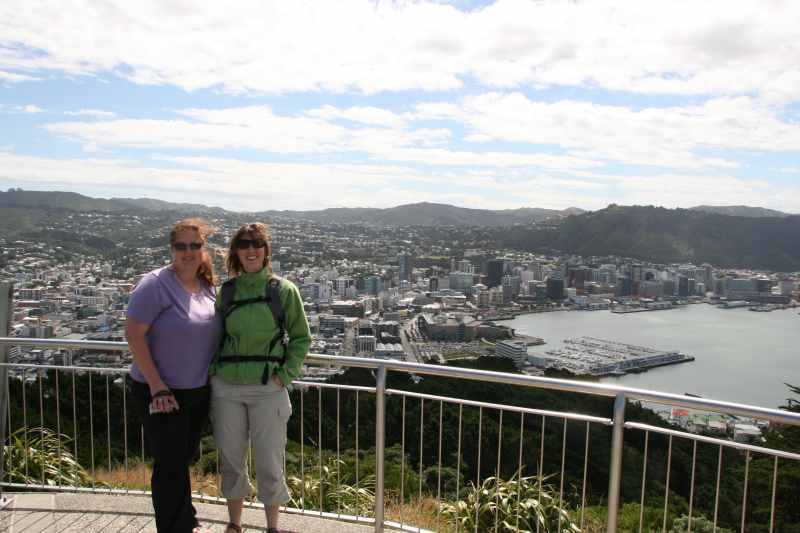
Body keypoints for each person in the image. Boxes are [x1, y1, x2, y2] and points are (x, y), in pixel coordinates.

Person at [211, 222, 310, 533]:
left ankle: (272, 527)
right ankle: (235, 524)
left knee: (269, 461)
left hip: (268, 387)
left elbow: (301, 338)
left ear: (266, 251)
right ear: (236, 252)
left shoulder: (282, 291)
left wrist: (284, 376)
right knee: (231, 459)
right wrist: (213, 373)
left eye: (256, 244)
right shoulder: (226, 292)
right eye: (244, 244)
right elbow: (213, 338)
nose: (251, 249)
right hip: (227, 387)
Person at [126, 218, 220, 533]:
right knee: (169, 464)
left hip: (196, 389)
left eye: (195, 245)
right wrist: (157, 386)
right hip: (161, 390)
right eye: (181, 245)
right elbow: (134, 335)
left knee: (182, 460)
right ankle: (174, 527)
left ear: (203, 248)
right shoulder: (154, 284)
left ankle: (186, 520)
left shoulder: (208, 286)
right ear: (171, 248)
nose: (188, 251)